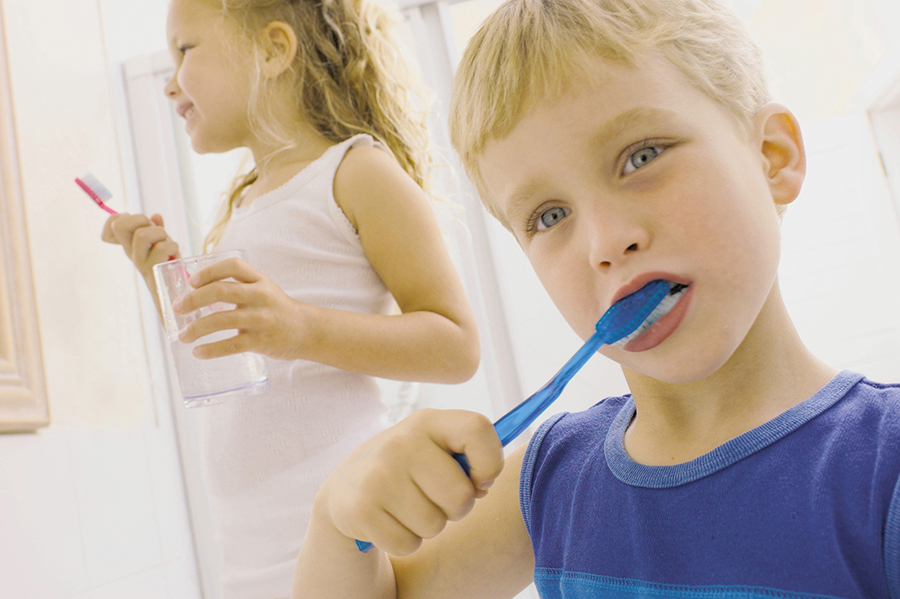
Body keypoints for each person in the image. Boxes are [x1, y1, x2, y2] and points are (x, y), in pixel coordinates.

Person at [291, 0, 900, 597]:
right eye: (550, 214)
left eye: (642, 156)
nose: (607, 242)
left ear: (773, 158)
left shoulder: (884, 467)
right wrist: (337, 523)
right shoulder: (550, 482)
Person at [101, 0, 481, 596]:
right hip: (249, 546)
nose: (171, 81)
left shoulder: (355, 172)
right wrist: (165, 284)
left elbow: (456, 347)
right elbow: (231, 357)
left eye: (186, 49)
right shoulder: (242, 208)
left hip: (343, 528)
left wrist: (300, 328)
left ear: (274, 50)